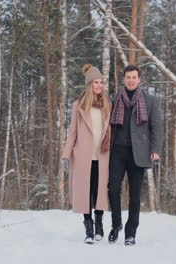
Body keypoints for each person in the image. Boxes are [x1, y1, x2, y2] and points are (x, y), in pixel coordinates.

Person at [108, 65, 163, 246]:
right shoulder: (115, 98)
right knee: (113, 188)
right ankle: (116, 225)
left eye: (134, 77)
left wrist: (155, 149)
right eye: (128, 77)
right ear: (123, 79)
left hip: (138, 153)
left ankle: (131, 233)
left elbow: (156, 127)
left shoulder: (150, 101)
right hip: (117, 151)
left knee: (135, 195)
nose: (131, 80)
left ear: (139, 80)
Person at [62, 64, 111, 244]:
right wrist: (66, 154)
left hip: (102, 156)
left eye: (101, 82)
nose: (99, 85)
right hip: (83, 156)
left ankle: (99, 224)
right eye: (96, 82)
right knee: (85, 192)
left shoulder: (107, 104)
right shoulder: (78, 105)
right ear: (89, 84)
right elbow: (73, 132)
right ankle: (88, 228)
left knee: (99, 191)